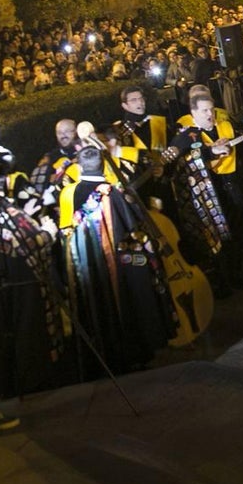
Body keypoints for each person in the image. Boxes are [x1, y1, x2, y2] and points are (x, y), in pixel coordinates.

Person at [59, 146, 177, 374]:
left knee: (99, 308)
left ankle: (103, 357)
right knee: (128, 302)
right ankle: (136, 353)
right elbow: (137, 230)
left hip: (91, 270)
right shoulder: (116, 194)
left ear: (79, 167)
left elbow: (66, 234)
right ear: (104, 165)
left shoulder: (68, 195)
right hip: (123, 267)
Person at [0, 145, 66, 413]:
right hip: (15, 287)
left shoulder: (5, 208)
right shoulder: (4, 211)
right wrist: (48, 232)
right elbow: (32, 241)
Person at [170, 94, 243, 294]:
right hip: (206, 199)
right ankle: (221, 282)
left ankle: (240, 275)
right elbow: (179, 161)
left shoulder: (224, 127)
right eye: (204, 110)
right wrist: (211, 152)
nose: (210, 114)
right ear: (193, 113)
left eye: (211, 109)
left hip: (229, 190)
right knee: (215, 241)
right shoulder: (186, 136)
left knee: (237, 233)